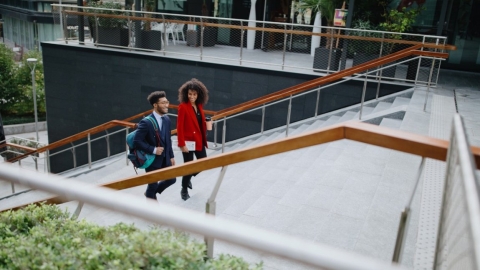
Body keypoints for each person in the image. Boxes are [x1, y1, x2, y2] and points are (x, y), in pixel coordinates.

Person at [133, 91, 176, 200]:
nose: (167, 105)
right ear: (155, 105)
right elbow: (137, 141)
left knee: (172, 179)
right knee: (152, 184)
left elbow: (168, 139)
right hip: (152, 159)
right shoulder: (146, 122)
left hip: (165, 157)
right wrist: (153, 149)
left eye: (167, 102)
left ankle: (149, 194)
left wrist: (171, 155)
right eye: (163, 103)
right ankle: (152, 204)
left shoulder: (166, 119)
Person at [177, 78, 209, 201]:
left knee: (204, 163)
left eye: (194, 94)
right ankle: (184, 189)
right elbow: (179, 127)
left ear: (198, 94)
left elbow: (198, 122)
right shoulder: (183, 107)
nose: (191, 96)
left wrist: (208, 123)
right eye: (189, 94)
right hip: (188, 142)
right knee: (189, 166)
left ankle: (188, 178)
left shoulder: (199, 105)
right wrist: (182, 144)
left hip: (199, 139)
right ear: (186, 93)